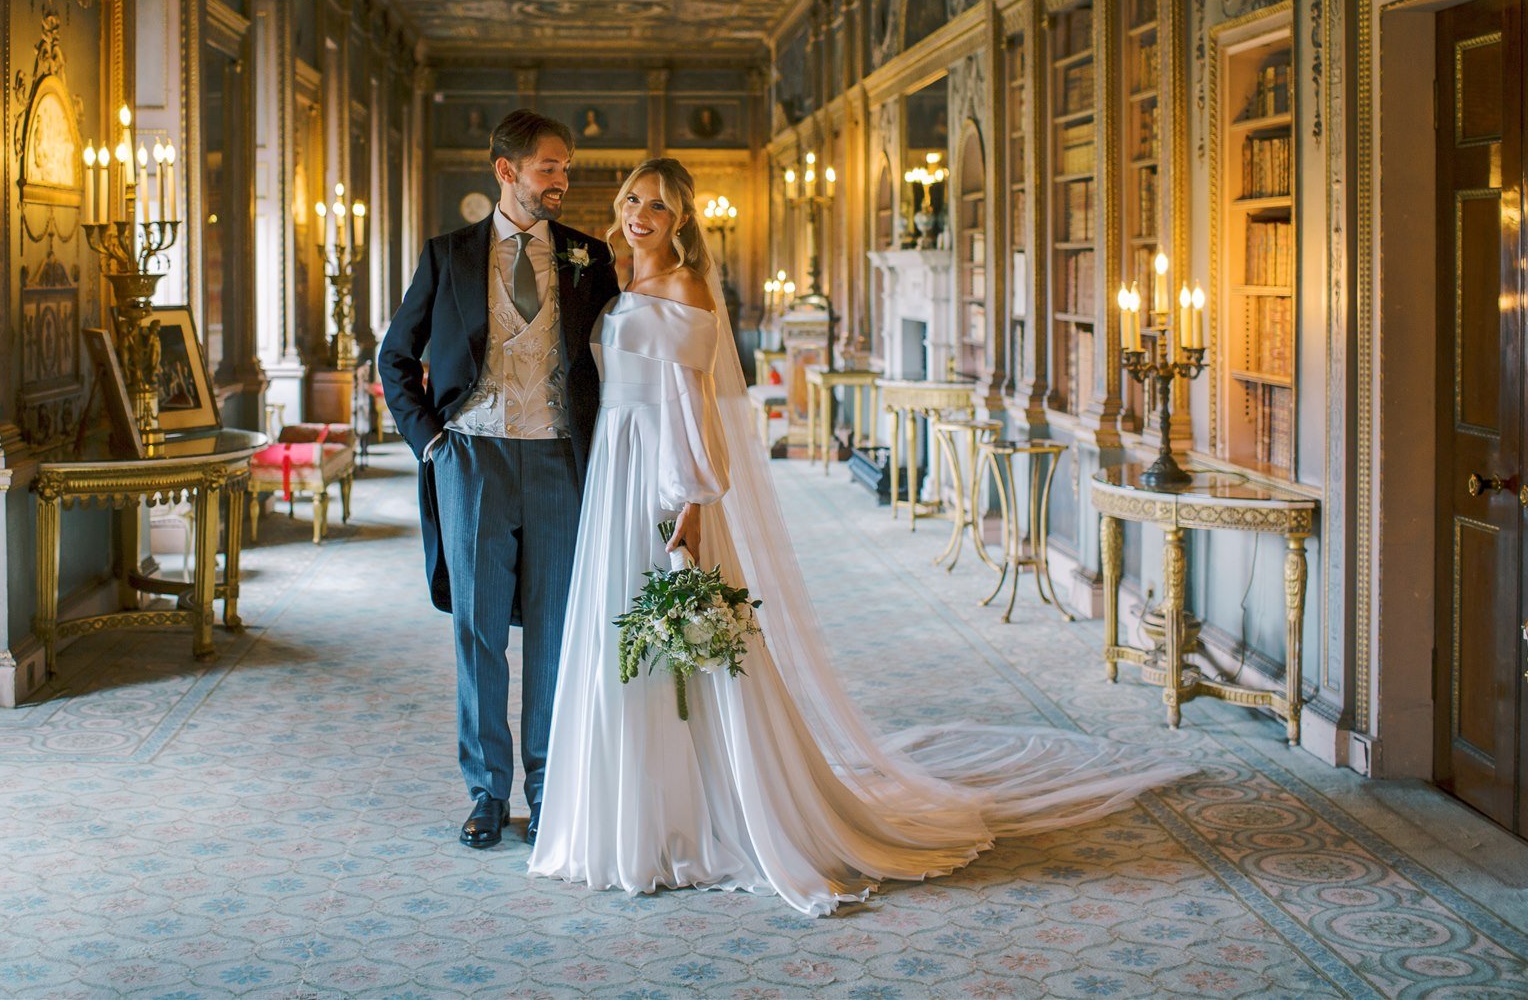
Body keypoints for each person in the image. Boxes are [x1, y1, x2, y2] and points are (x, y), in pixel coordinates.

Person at [529, 157, 1190, 915]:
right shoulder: (613, 285)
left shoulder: (685, 286)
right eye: (633, 199)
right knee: (618, 635)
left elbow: (696, 403)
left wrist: (695, 500)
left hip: (659, 477)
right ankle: (621, 816)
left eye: (659, 205)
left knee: (685, 635)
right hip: (612, 468)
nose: (641, 213)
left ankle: (698, 816)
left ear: (682, 220)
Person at [379, 110, 621, 851]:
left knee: (554, 632)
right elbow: (394, 357)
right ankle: (487, 791)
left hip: (557, 459)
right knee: (478, 630)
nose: (562, 181)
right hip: (473, 458)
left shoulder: (590, 256)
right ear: (506, 171)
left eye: (567, 169)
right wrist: (431, 444)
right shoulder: (448, 254)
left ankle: (547, 788)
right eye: (549, 166)